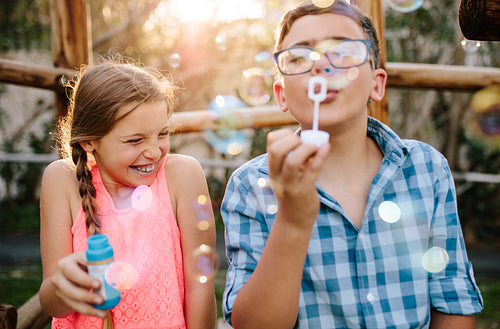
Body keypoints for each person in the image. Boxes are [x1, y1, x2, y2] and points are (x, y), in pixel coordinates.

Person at [221, 1, 483, 328]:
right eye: (300, 57)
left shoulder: (426, 168)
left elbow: (452, 297)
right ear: (281, 94)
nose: (321, 66)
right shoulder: (251, 186)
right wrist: (292, 221)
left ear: (377, 84)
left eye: (343, 51)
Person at [39, 60, 217, 329]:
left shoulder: (182, 175)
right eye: (135, 140)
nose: (154, 152)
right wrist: (62, 284)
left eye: (163, 134)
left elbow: (200, 288)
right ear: (89, 141)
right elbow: (53, 305)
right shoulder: (62, 180)